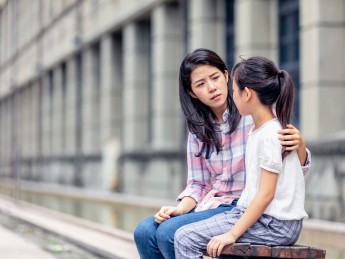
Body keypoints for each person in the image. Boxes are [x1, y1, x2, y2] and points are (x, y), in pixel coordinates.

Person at [134, 49, 310, 259]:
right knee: (144, 232)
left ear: (226, 77)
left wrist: (300, 146)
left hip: (244, 205)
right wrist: (180, 209)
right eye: (200, 84)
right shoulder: (198, 130)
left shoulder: (255, 117)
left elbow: (289, 167)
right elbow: (198, 184)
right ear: (191, 92)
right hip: (214, 204)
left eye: (215, 78)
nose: (212, 88)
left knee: (169, 234)